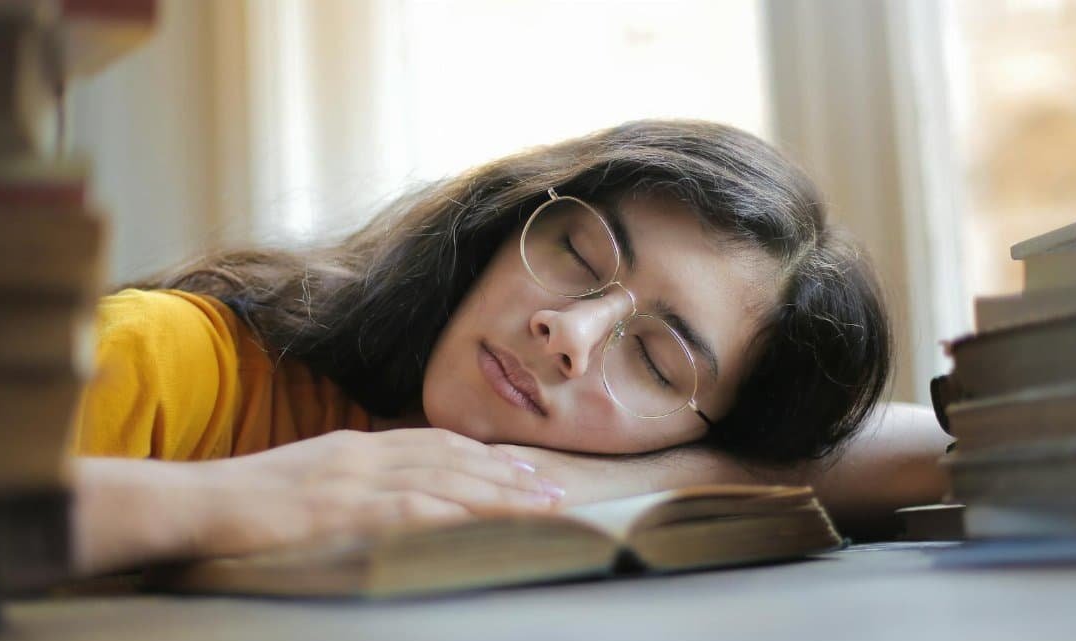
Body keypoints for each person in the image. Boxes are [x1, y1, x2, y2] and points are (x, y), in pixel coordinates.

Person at [71, 120, 950, 577]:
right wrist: (213, 502)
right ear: (506, 222)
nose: (567, 333)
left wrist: (678, 478)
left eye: (653, 361)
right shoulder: (172, 357)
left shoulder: (651, 460)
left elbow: (939, 446)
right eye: (574, 254)